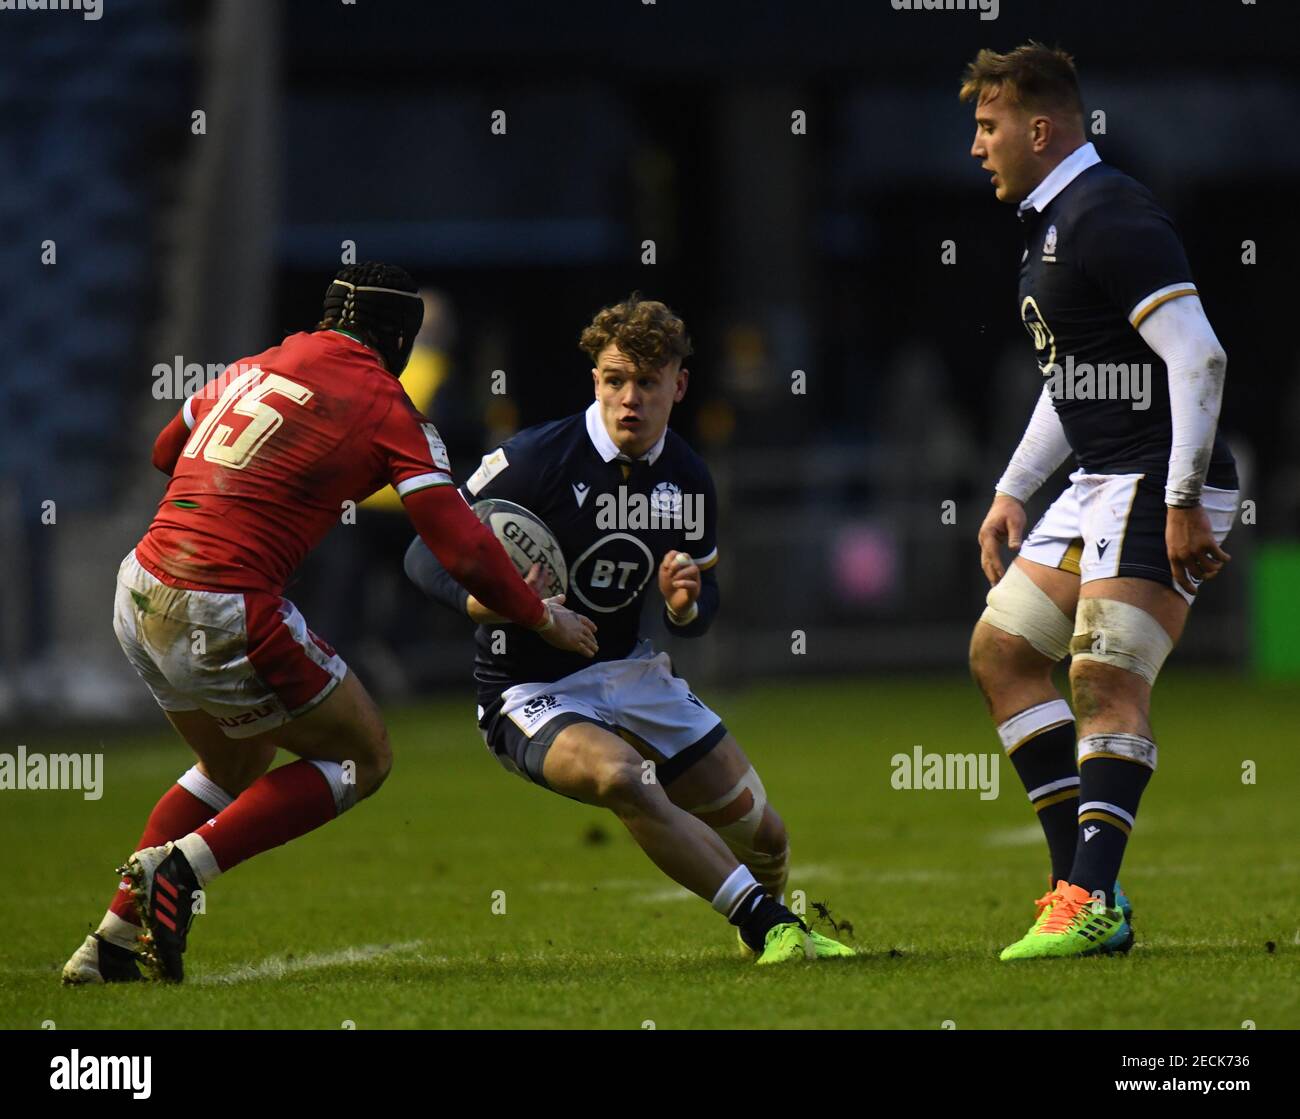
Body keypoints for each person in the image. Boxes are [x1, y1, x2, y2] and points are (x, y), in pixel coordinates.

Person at [62, 263, 594, 984]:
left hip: (140, 586)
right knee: (361, 756)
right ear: (398, 339)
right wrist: (540, 617)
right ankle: (181, 868)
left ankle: (111, 943)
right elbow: (463, 546)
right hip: (227, 601)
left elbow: (165, 451)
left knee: (231, 764)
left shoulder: (260, 361)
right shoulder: (385, 403)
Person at [405, 294, 854, 965]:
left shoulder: (688, 477)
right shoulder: (535, 460)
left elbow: (703, 608)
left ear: (680, 384)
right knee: (622, 777)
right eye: (614, 380)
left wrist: (684, 604)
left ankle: (768, 924)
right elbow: (421, 553)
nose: (629, 399)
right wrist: (499, 607)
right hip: (527, 687)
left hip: (631, 669)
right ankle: (769, 925)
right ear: (595, 380)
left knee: (766, 836)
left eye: (647, 382)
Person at [962, 45, 1239, 959]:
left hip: (1160, 480)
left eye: (989, 126)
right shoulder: (1055, 223)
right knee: (1002, 652)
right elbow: (1074, 377)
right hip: (1097, 483)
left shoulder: (1110, 212)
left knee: (1103, 679)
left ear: (1040, 130)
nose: (977, 146)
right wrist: (1012, 487)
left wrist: (1185, 496)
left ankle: (1089, 896)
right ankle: (1080, 890)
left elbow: (1198, 356)